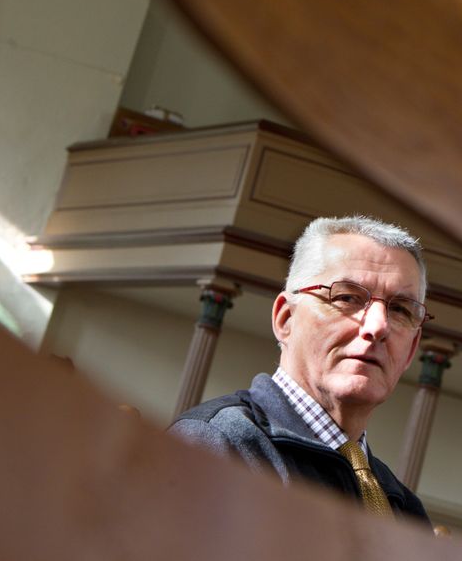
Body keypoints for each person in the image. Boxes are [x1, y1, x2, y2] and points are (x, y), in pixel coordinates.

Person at [170, 215, 430, 523]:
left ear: (412, 349)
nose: (378, 326)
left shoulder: (403, 508)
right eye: (347, 297)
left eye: (400, 309)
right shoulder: (214, 446)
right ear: (285, 319)